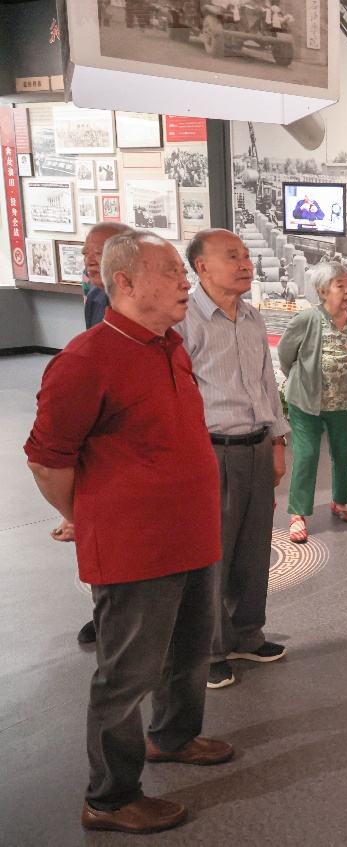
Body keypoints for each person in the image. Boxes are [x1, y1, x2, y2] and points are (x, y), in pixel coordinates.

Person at [25, 230, 232, 835]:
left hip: (193, 535)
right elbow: (47, 460)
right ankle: (110, 798)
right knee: (126, 676)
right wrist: (88, 514)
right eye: (171, 271)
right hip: (134, 547)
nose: (185, 281)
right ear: (125, 281)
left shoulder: (170, 346)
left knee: (190, 651)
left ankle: (173, 736)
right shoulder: (85, 360)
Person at [178, 229, 291, 690]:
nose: (246, 264)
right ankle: (209, 649)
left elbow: (267, 385)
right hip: (210, 450)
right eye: (233, 256)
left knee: (253, 549)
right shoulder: (185, 321)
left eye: (246, 255)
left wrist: (278, 442)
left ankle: (247, 633)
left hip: (256, 446)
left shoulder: (251, 316)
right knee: (212, 555)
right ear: (202, 266)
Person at [63, 223, 137, 646]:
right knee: (102, 537)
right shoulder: (95, 297)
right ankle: (107, 612)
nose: (90, 259)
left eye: (99, 251)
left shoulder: (145, 306)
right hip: (100, 432)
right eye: (87, 251)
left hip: (133, 435)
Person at [277, 262, 347, 543]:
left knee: (343, 453)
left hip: (342, 401)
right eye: (340, 285)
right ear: (322, 291)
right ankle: (298, 513)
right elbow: (285, 353)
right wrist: (299, 377)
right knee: (306, 456)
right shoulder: (307, 319)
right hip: (307, 401)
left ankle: (340, 501)